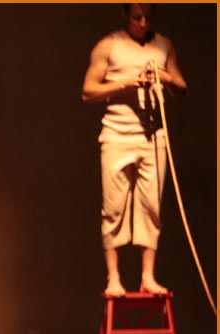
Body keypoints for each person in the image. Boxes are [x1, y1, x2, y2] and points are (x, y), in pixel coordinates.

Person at [81, 3, 187, 297]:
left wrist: (166, 78)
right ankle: (113, 277)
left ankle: (147, 276)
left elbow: (181, 89)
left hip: (153, 138)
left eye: (147, 18)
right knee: (114, 207)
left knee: (151, 206)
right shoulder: (109, 45)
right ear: (125, 15)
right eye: (137, 17)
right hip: (117, 136)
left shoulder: (163, 45)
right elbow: (88, 91)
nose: (142, 23)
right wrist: (126, 82)